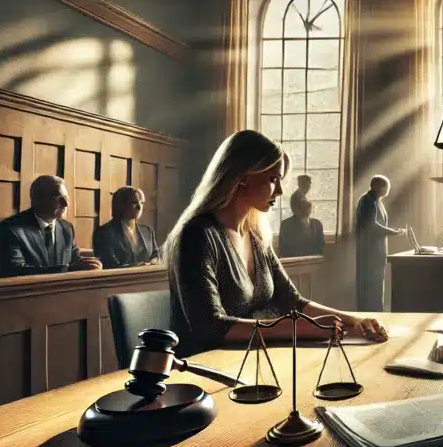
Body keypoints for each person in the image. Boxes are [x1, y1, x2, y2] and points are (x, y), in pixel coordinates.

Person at [165, 130, 387, 358]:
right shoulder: (198, 235)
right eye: (273, 179)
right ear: (242, 176)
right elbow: (210, 327)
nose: (280, 191)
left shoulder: (256, 235)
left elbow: (293, 302)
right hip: (200, 371)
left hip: (248, 362)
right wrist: (294, 328)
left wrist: (357, 320)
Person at [0, 175, 103, 278]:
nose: (66, 204)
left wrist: (89, 264)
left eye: (66, 197)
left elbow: (74, 261)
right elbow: (12, 272)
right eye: (58, 198)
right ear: (37, 199)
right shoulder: (8, 229)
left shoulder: (66, 228)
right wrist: (68, 270)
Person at [354, 175, 405, 311]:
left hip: (376, 252)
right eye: (387, 187)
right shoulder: (368, 201)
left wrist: (391, 230)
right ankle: (370, 315)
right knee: (370, 288)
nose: (388, 190)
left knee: (376, 287)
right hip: (370, 253)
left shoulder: (375, 201)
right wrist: (392, 232)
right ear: (381, 187)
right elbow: (371, 225)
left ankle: (375, 313)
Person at [92, 186, 161, 269]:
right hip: (120, 280)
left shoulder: (148, 231)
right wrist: (137, 267)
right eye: (134, 202)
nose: (139, 207)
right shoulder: (104, 233)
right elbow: (109, 265)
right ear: (121, 205)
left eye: (141, 202)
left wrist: (155, 261)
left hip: (149, 278)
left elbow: (156, 255)